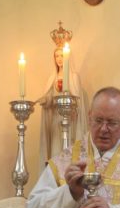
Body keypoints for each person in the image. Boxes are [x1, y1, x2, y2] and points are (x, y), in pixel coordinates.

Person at [37, 26, 89, 171]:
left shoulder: (74, 77)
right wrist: (45, 100)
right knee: (56, 151)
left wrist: (70, 106)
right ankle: (56, 178)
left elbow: (78, 100)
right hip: (56, 120)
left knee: (70, 152)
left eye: (61, 55)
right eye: (57, 56)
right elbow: (50, 99)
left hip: (71, 121)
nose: (59, 59)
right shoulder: (51, 79)